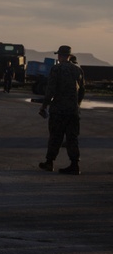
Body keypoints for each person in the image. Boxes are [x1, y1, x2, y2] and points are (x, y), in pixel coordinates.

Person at [38, 45, 85, 175]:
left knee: (55, 137)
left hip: (58, 110)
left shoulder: (56, 69)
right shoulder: (78, 70)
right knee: (72, 138)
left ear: (59, 56)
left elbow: (50, 90)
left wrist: (44, 105)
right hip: (73, 112)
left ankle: (49, 162)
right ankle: (74, 164)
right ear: (69, 56)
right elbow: (82, 91)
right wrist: (76, 105)